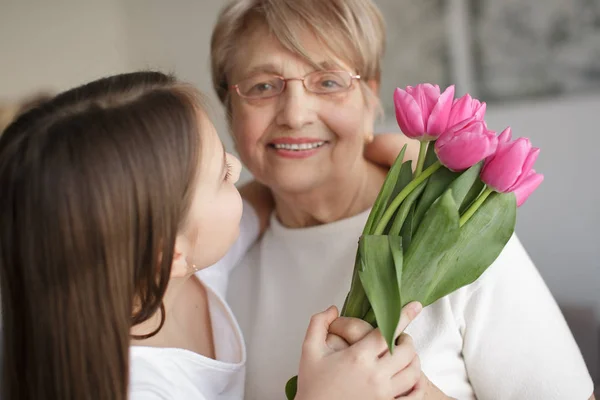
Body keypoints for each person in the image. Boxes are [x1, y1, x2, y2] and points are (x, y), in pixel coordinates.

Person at [210, 0, 596, 399]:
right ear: (229, 111)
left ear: (369, 97)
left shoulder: (459, 231)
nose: (294, 113)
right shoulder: (216, 269)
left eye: (328, 81)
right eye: (262, 86)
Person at [0, 71, 427, 400]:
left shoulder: (177, 265)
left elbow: (261, 200)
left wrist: (377, 153)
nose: (239, 168)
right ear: (168, 255)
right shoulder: (137, 387)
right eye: (222, 175)